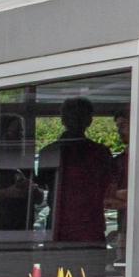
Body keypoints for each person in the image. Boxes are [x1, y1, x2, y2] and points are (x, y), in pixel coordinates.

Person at [38, 96, 119, 246]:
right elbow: (110, 187)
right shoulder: (100, 153)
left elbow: (42, 185)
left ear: (62, 120)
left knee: (58, 269)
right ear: (90, 121)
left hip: (61, 227)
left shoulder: (49, 152)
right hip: (88, 227)